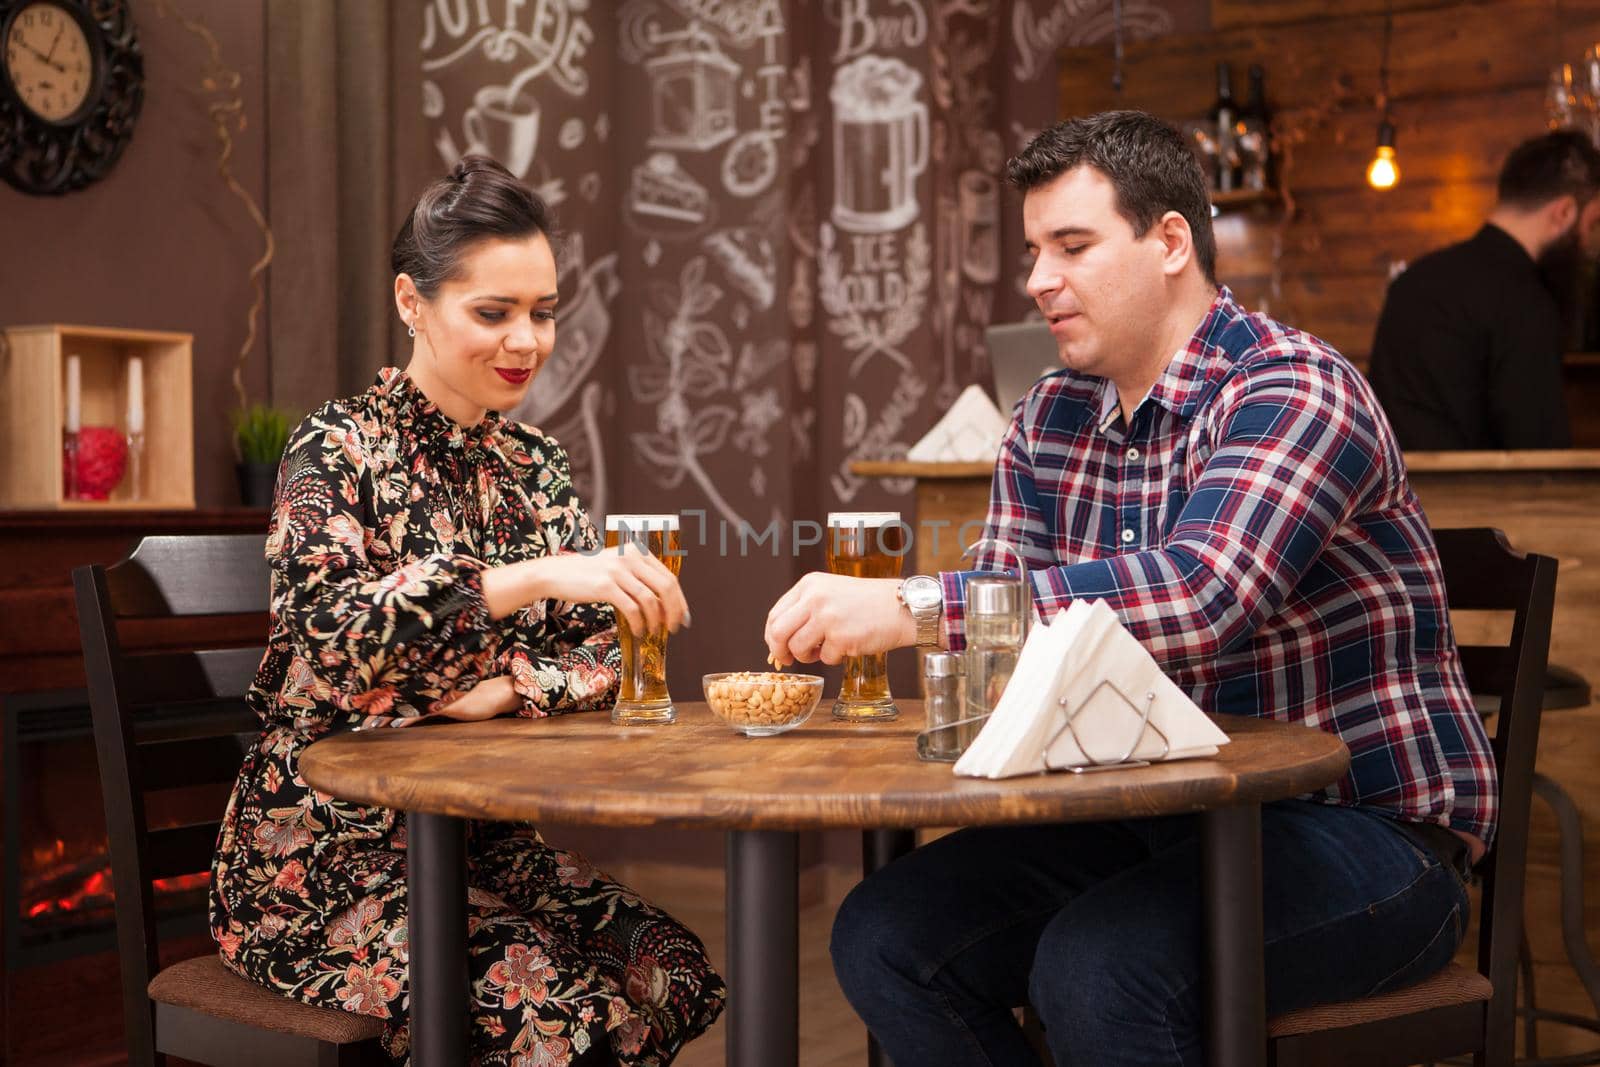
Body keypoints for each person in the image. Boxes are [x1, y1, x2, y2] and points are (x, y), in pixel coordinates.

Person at [765, 111, 1496, 1066]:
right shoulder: (1048, 417)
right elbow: (999, 617)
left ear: (1170, 242)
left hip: (1366, 835)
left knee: (1099, 965)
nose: (1037, 280)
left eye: (1072, 245)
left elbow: (1198, 597)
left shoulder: (1295, 386)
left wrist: (912, 604)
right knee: (885, 936)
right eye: (1033, 250)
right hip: (1149, 819)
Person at [209, 156, 725, 1067]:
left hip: (487, 845)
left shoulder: (537, 464)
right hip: (324, 858)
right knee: (550, 1013)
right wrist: (528, 577)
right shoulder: (336, 447)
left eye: (543, 311)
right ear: (412, 301)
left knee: (672, 970)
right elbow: (327, 642)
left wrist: (501, 689)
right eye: (493, 312)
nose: (526, 340)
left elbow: (609, 660)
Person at [1367, 128, 1600, 449]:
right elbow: (1541, 453)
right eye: (1591, 225)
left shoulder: (1413, 280)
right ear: (1565, 213)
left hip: (1390, 495)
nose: (1588, 243)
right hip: (1480, 498)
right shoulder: (1526, 301)